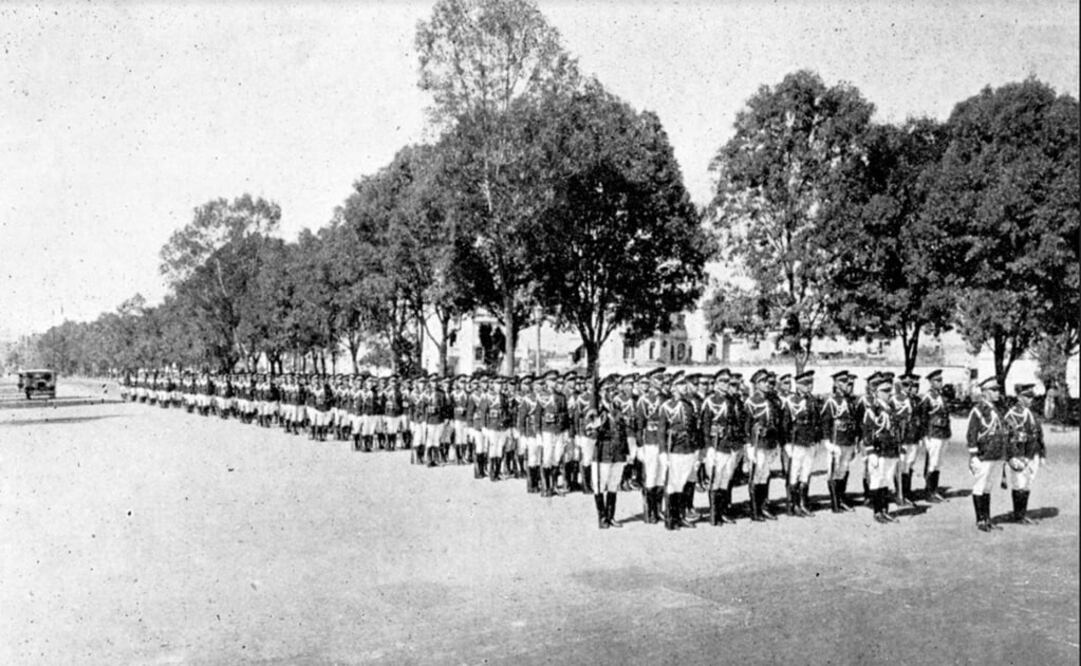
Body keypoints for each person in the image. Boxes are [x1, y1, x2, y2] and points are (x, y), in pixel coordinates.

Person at [658, 372, 702, 530]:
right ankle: (670, 519)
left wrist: (697, 451)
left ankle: (681, 516)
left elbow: (695, 430)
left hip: (688, 449)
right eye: (681, 384)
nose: (685, 387)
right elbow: (661, 431)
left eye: (685, 384)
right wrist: (663, 453)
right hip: (674, 449)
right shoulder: (666, 406)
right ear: (674, 387)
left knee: (683, 484)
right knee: (673, 485)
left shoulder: (690, 405)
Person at [966, 377, 1009, 532]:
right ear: (984, 392)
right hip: (985, 453)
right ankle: (980, 520)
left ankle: (987, 518)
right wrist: (973, 455)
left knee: (988, 486)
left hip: (997, 453)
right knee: (980, 485)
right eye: (993, 390)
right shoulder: (978, 410)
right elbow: (972, 433)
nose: (997, 393)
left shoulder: (997, 409)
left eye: (998, 390)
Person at [587, 376, 630, 529]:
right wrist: (596, 427)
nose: (612, 393)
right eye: (608, 390)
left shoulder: (617, 408)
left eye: (613, 390)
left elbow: (623, 431)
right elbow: (589, 431)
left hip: (618, 453)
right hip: (603, 453)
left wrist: (626, 452)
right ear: (601, 392)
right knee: (599, 485)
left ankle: (611, 516)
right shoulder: (596, 410)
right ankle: (602, 517)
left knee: (613, 485)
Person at [745, 369, 783, 521]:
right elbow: (746, 426)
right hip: (757, 444)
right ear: (756, 384)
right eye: (763, 382)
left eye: (768, 381)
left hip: (769, 443)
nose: (767, 384)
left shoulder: (770, 401)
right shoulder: (751, 401)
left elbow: (775, 423)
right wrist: (748, 446)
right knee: (757, 475)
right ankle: (755, 511)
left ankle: (763, 506)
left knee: (765, 475)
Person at [1004, 384, 1045, 524]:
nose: (1030, 399)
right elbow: (1007, 438)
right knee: (1019, 484)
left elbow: (1039, 435)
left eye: (1031, 396)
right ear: (1019, 397)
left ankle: (1022, 513)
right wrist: (1011, 457)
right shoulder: (1012, 415)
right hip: (1020, 454)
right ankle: (1019, 515)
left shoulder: (1032, 413)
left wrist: (1042, 454)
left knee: (1027, 484)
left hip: (1033, 454)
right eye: (1027, 396)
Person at [820, 371, 859, 513]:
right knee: (834, 472)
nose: (849, 385)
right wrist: (827, 442)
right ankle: (835, 503)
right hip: (836, 441)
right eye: (844, 382)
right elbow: (825, 422)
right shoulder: (831, 402)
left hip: (848, 441)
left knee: (844, 470)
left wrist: (855, 441)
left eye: (849, 383)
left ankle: (842, 499)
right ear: (836, 384)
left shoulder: (851, 401)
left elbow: (854, 422)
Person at [864, 373, 900, 524]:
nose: (888, 393)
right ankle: (878, 511)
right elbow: (867, 430)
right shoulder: (873, 409)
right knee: (877, 481)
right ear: (876, 392)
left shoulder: (890, 408)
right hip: (878, 450)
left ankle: (885, 510)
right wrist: (870, 451)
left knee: (886, 480)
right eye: (884, 391)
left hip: (890, 450)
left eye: (889, 390)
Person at [784, 370, 821, 517]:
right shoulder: (791, 401)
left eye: (810, 383)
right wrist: (786, 444)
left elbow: (816, 422)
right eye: (805, 384)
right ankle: (792, 505)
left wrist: (817, 441)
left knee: (806, 473)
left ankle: (803, 503)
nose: (809, 386)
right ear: (798, 385)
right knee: (794, 474)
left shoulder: (813, 400)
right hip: (796, 442)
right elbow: (785, 424)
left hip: (809, 442)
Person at [635, 368, 667, 524]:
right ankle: (650, 512)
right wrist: (640, 446)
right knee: (651, 476)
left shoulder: (667, 399)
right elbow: (639, 424)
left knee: (661, 477)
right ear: (652, 381)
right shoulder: (644, 400)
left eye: (662, 380)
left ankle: (659, 509)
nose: (661, 383)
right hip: (650, 442)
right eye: (658, 380)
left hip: (663, 443)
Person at [918, 369, 951, 502]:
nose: (940, 383)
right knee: (932, 462)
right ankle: (929, 491)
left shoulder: (941, 397)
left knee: (938, 463)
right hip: (933, 434)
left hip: (943, 433)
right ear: (931, 382)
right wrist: (924, 435)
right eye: (937, 380)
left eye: (940, 380)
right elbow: (922, 416)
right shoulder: (928, 397)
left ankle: (934, 489)